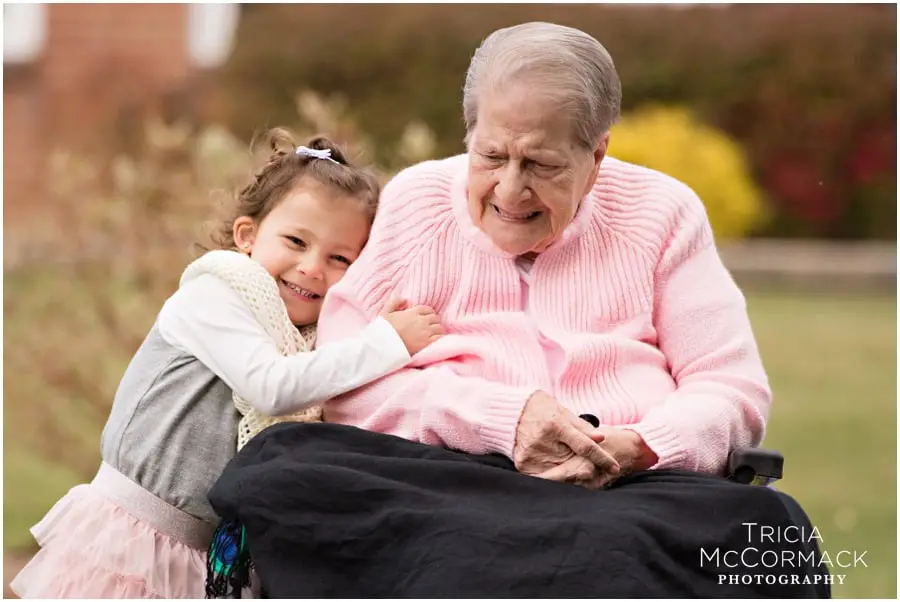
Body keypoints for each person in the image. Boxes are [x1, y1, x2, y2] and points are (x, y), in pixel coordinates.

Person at [207, 24, 831, 598]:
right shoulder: (418, 203)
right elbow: (349, 383)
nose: (509, 190)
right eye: (491, 156)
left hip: (630, 487)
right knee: (282, 472)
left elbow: (731, 388)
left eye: (541, 164)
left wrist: (644, 444)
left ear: (597, 157)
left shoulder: (662, 213)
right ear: (468, 135)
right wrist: (500, 418)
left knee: (766, 534)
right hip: (450, 477)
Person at [9, 130, 444, 599]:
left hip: (207, 558)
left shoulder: (306, 343)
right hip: (134, 538)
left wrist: (365, 331)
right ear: (247, 236)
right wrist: (385, 343)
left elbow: (320, 383)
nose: (313, 267)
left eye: (340, 258)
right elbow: (271, 388)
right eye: (296, 241)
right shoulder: (214, 295)